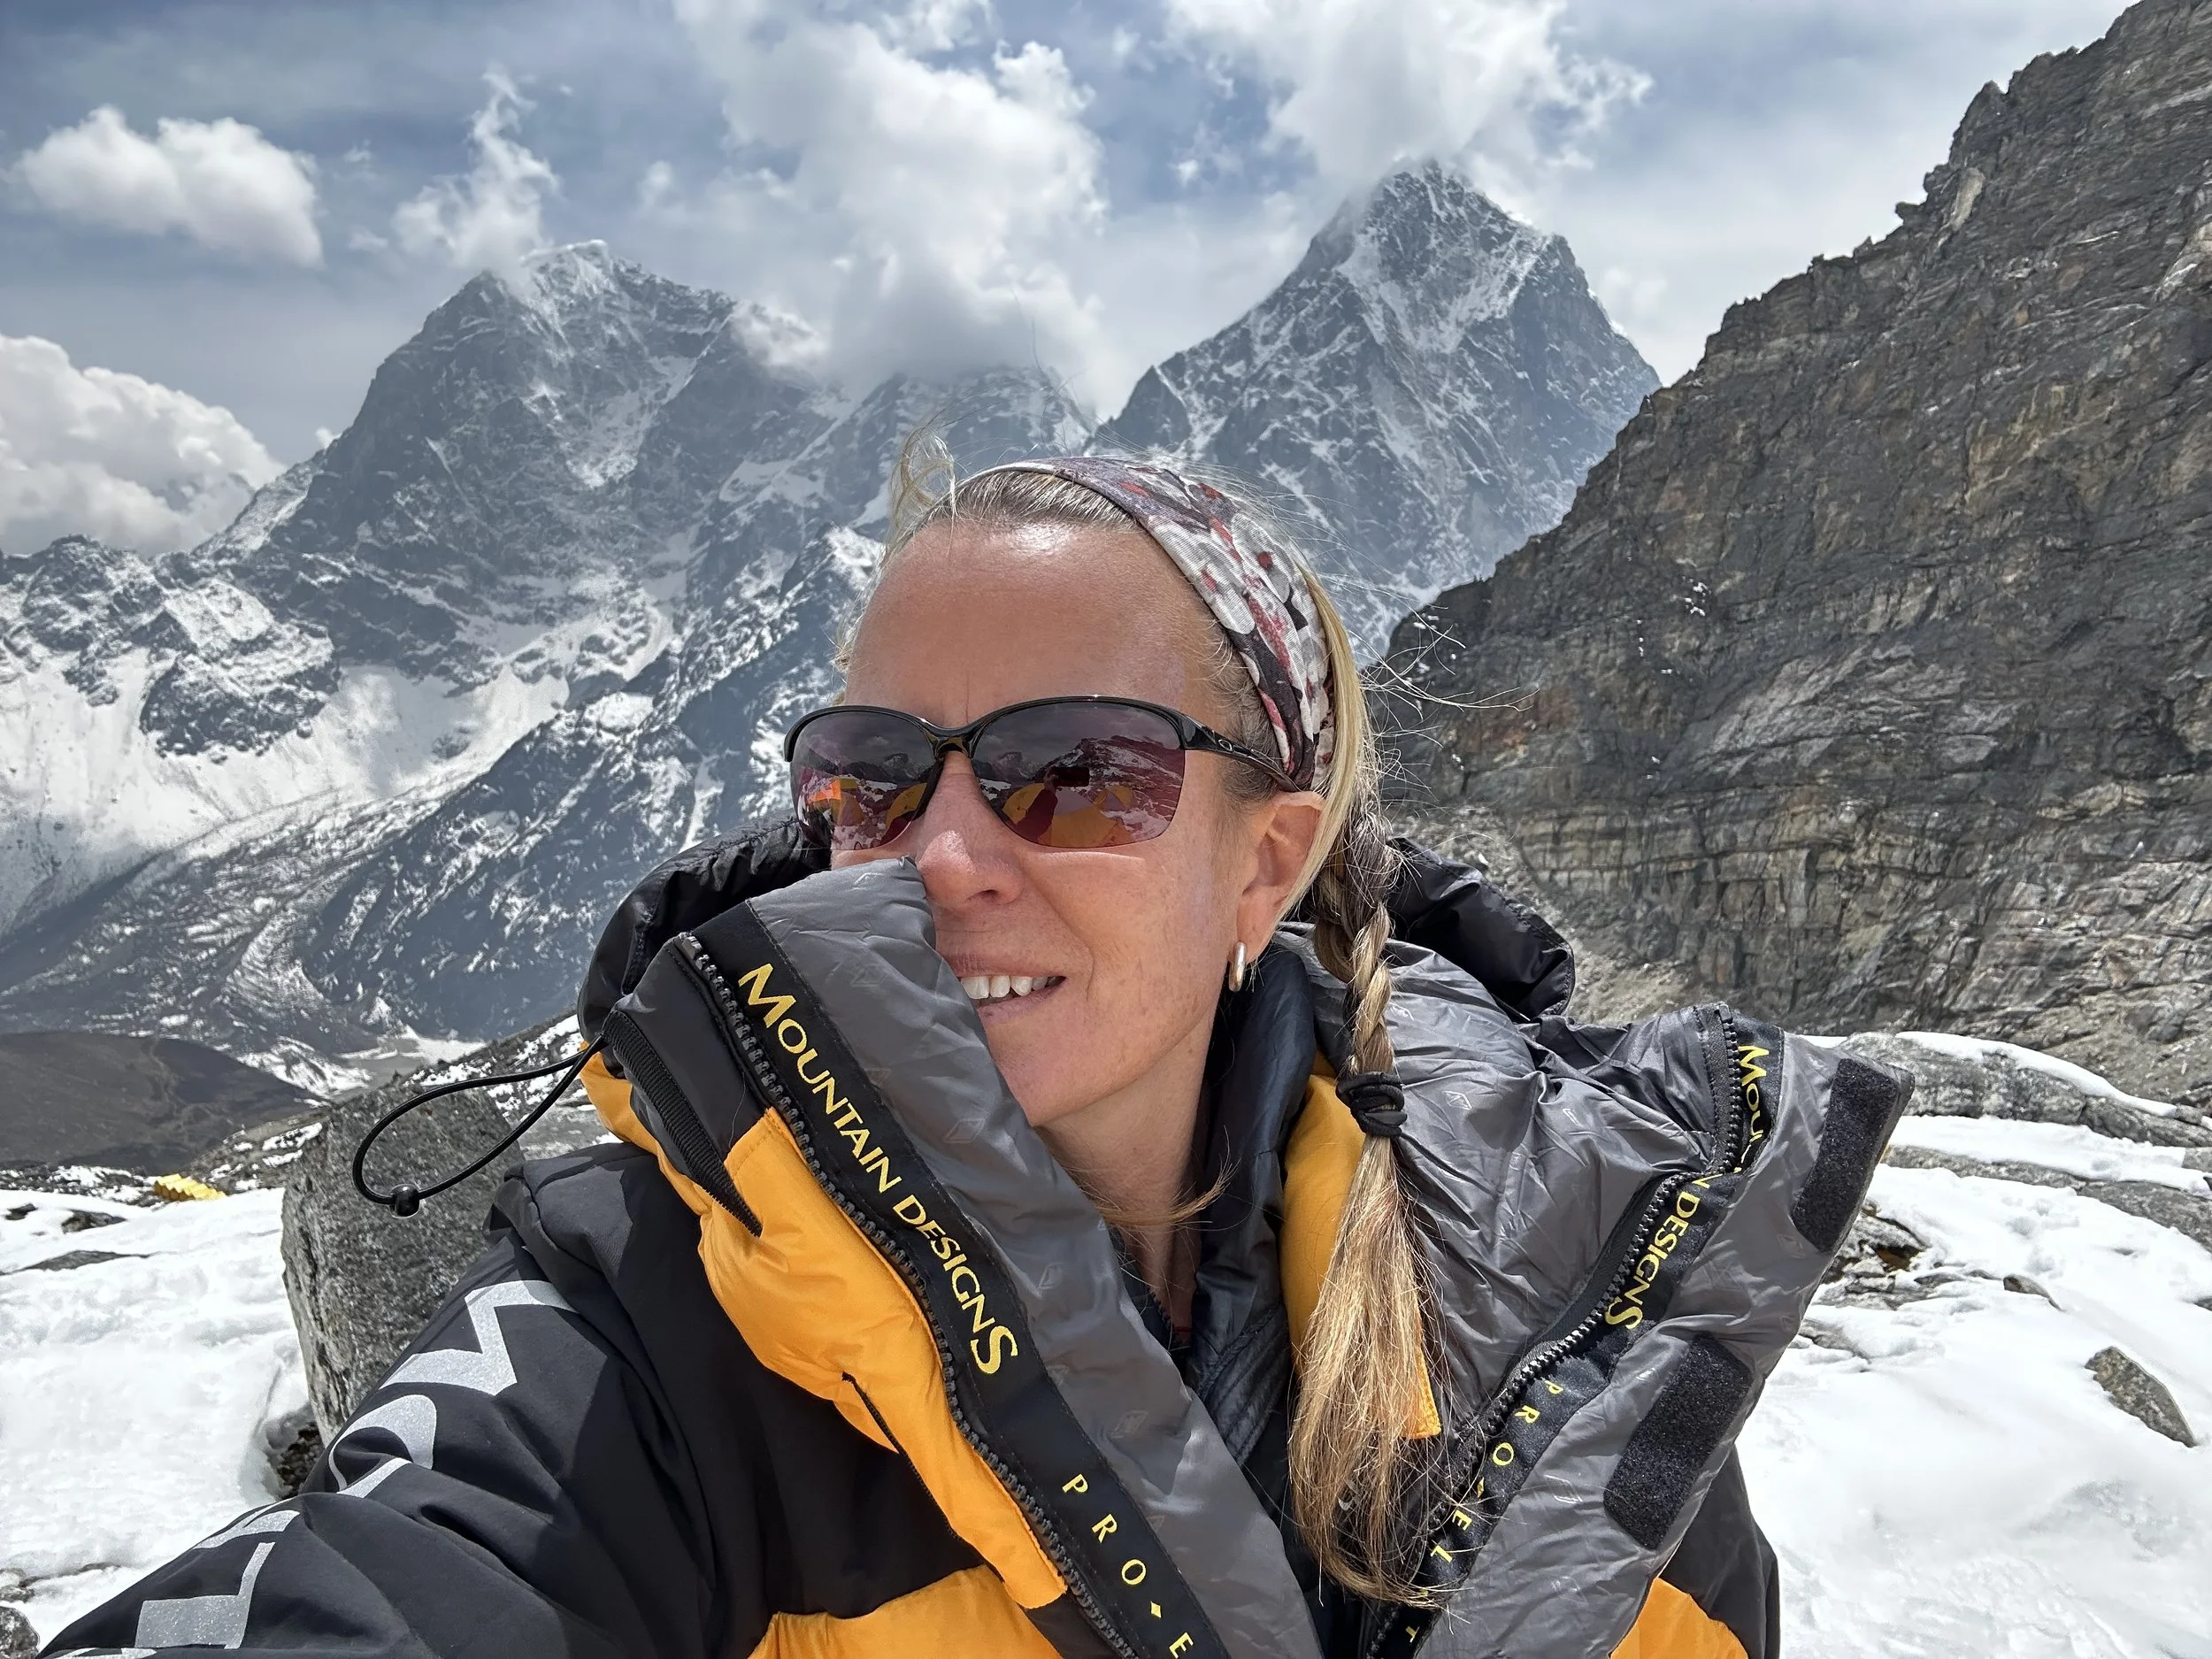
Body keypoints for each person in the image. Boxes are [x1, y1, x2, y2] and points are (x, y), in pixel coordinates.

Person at [49, 449, 1909, 1659]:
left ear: (1265, 863)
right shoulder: (655, 1313)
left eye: (1076, 772)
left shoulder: (1574, 1317)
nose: (940, 859)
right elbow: (411, 1576)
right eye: (870, 778)